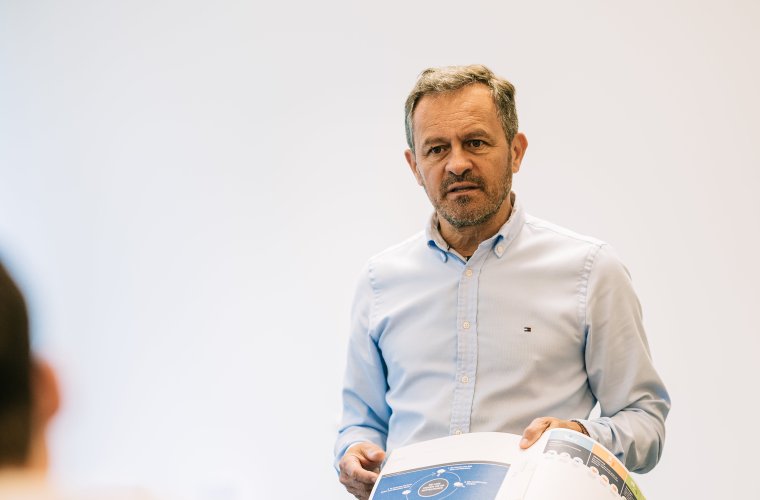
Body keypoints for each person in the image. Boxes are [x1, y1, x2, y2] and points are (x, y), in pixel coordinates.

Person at [334, 65, 670, 499]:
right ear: (415, 165)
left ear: (515, 151)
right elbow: (360, 422)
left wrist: (580, 437)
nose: (457, 163)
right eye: (436, 149)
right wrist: (354, 451)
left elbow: (645, 420)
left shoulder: (591, 270)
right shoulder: (379, 280)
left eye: (475, 142)